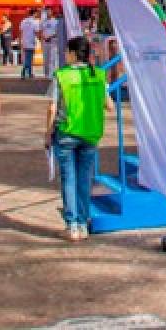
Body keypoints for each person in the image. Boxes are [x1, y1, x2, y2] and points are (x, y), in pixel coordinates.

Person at [45, 35, 105, 242]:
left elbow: (52, 106)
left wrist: (47, 132)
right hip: (90, 133)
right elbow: (109, 104)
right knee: (84, 180)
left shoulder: (61, 75)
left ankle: (72, 225)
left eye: (66, 52)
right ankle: (83, 222)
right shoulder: (98, 75)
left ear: (72, 53)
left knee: (69, 179)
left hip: (67, 132)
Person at [39, 9, 62, 78]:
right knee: (46, 59)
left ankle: (51, 74)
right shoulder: (43, 22)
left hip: (53, 42)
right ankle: (46, 74)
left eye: (49, 11)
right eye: (47, 12)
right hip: (45, 42)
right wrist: (43, 37)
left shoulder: (55, 21)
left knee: (52, 58)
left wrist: (50, 37)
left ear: (52, 12)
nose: (48, 13)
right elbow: (40, 31)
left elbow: (57, 32)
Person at [19, 10, 40, 79]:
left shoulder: (23, 21)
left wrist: (20, 41)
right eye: (36, 13)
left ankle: (30, 73)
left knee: (28, 58)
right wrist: (40, 38)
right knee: (29, 59)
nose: (37, 15)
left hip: (24, 42)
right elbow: (37, 32)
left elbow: (20, 32)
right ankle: (23, 72)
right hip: (31, 42)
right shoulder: (35, 22)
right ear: (34, 13)